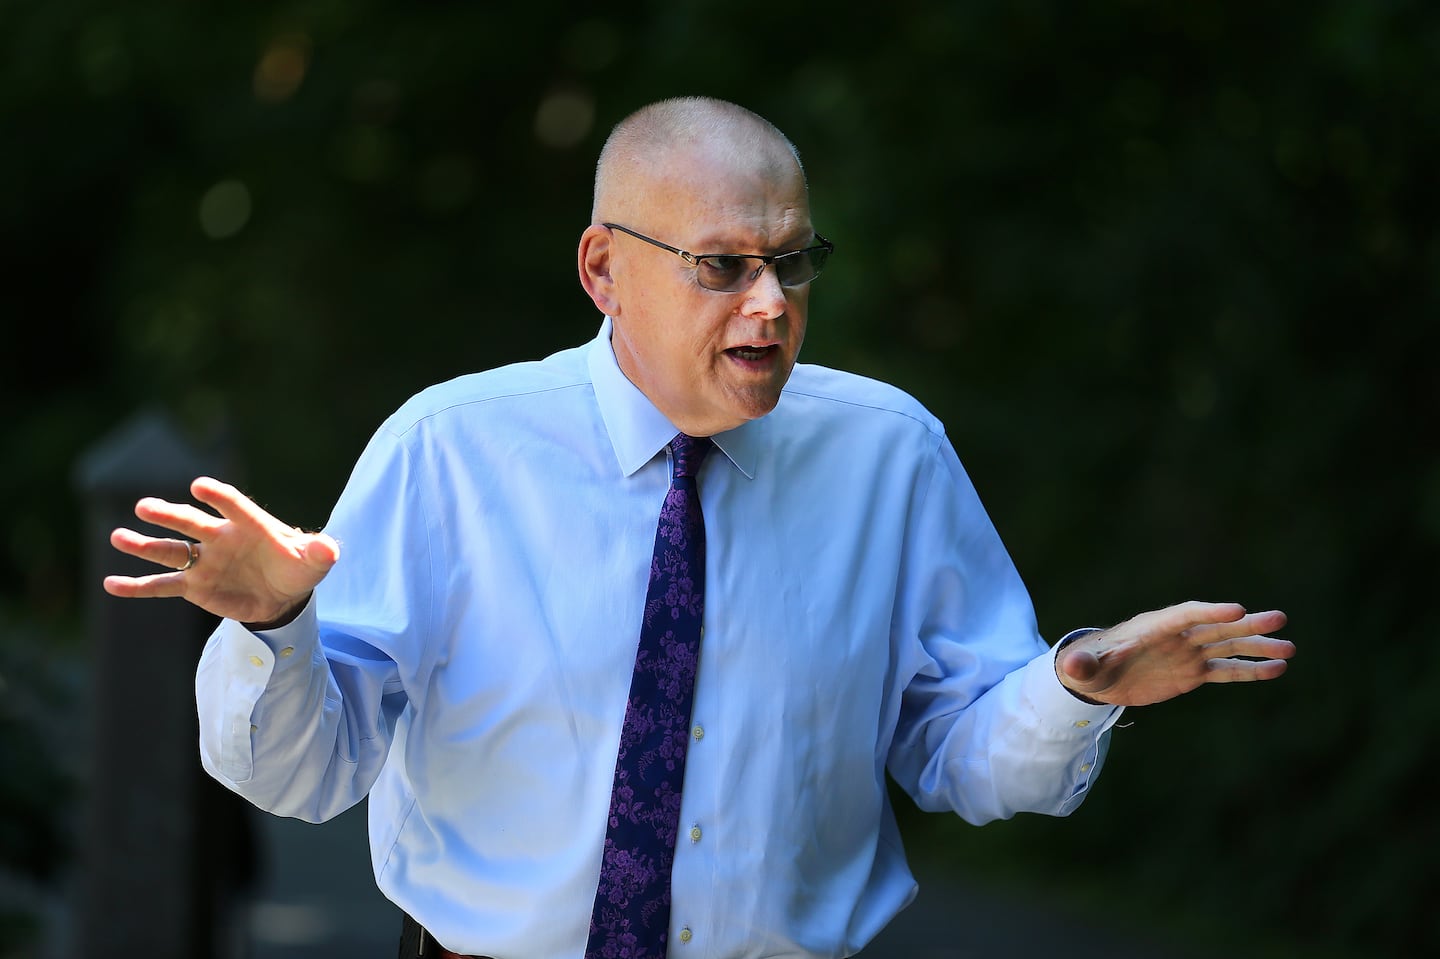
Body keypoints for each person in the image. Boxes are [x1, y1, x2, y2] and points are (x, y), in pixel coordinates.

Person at [104, 97, 1294, 959]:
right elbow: (302, 773)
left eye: (793, 262)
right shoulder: (450, 450)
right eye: (723, 266)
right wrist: (279, 620)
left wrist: (1077, 684)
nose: (771, 304)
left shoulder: (889, 453)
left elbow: (958, 754)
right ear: (604, 268)